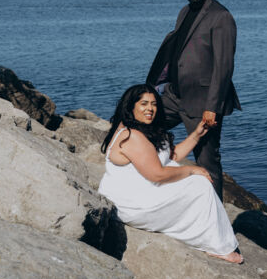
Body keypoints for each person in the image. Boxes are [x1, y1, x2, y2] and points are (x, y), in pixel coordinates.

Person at [98, 84, 243, 263]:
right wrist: (191, 169)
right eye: (144, 104)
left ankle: (209, 238)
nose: (150, 109)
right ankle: (217, 246)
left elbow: (169, 157)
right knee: (200, 185)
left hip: (143, 192)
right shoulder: (131, 135)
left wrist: (196, 135)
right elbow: (157, 174)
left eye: (154, 104)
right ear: (131, 107)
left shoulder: (141, 129)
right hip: (131, 204)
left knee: (197, 182)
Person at [147, 0, 241, 199]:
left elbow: (224, 67)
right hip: (173, 96)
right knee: (143, 127)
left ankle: (214, 214)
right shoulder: (184, 12)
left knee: (208, 161)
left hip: (203, 104)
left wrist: (212, 107)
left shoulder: (221, 17)